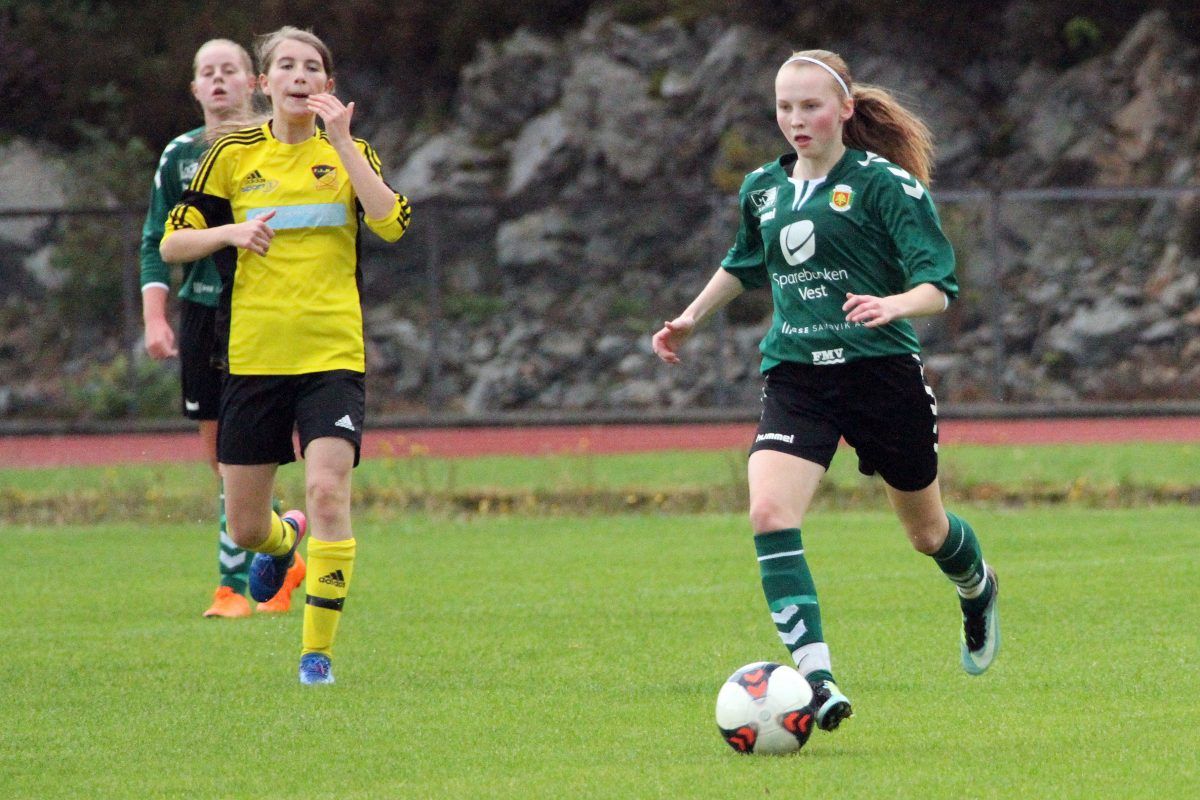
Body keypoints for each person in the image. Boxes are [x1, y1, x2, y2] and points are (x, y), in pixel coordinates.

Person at [651, 50, 1000, 732]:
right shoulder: (763, 188)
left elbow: (939, 285)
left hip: (881, 375)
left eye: (810, 106)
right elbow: (744, 262)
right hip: (797, 377)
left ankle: (977, 585)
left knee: (927, 533)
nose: (796, 119)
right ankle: (817, 680)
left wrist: (893, 305)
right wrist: (691, 317)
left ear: (844, 110)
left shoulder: (885, 185)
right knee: (768, 514)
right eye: (785, 107)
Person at [160, 26, 412, 684]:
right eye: (286, 66)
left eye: (312, 68)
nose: (299, 76)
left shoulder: (350, 153)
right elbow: (172, 245)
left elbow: (392, 223)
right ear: (264, 83)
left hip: (332, 356)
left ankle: (316, 656)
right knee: (246, 529)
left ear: (328, 85)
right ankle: (283, 538)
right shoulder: (232, 154)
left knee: (329, 492)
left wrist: (344, 146)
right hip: (254, 359)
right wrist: (232, 231)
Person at [140, 38, 305, 619]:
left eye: (229, 70)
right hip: (203, 313)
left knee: (258, 446)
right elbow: (156, 240)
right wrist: (155, 316)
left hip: (261, 314)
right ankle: (279, 550)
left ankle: (235, 586)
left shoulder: (274, 146)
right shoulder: (180, 155)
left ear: (253, 81)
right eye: (206, 72)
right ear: (194, 88)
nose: (217, 80)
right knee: (220, 459)